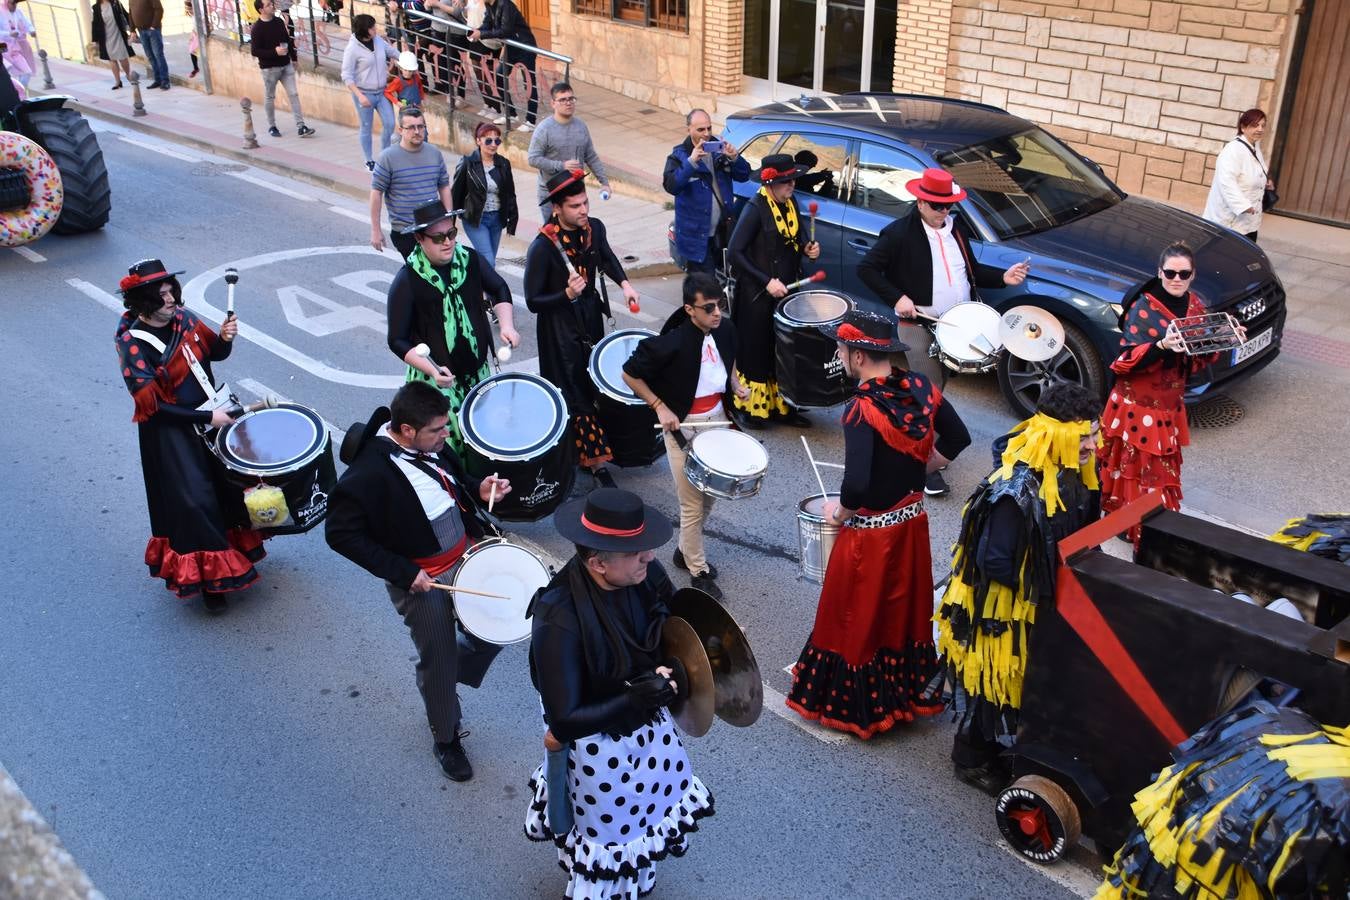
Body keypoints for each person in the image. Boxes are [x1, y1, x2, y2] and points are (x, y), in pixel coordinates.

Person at [785, 310, 970, 739]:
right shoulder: (922, 387)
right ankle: (903, 694)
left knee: (855, 616)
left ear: (858, 356)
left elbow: (857, 484)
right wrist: (924, 469)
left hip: (871, 534)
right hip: (912, 525)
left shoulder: (860, 409)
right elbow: (958, 438)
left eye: (841, 348)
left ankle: (860, 708)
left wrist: (840, 512)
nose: (838, 353)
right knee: (901, 613)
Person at [524, 488, 715, 898]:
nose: (649, 557)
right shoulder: (558, 618)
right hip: (597, 746)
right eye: (636, 553)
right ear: (598, 563)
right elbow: (566, 719)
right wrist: (636, 697)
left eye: (645, 547)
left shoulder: (643, 573)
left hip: (646, 718)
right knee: (611, 835)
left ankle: (637, 882)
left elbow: (672, 624)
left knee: (647, 814)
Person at [326, 381, 513, 781]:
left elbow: (454, 485)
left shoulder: (433, 446)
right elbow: (340, 535)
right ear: (407, 430)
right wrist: (404, 573)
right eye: (438, 430)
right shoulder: (369, 474)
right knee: (440, 657)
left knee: (503, 621)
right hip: (422, 578)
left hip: (465, 554)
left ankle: (440, 675)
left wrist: (480, 491)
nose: (447, 435)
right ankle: (446, 736)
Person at [934, 381, 1101, 790]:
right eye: (1086, 436)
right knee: (993, 681)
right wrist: (1042, 592)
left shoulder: (1071, 471)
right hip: (1000, 612)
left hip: (1043, 602)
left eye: (1097, 433)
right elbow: (995, 561)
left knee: (1022, 684)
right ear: (1056, 433)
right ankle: (969, 757)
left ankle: (1006, 740)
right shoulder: (1015, 489)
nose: (1095, 445)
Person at [856, 167, 1028, 496]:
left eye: (949, 206)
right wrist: (898, 297)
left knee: (937, 391)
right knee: (927, 394)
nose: (944, 212)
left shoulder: (955, 228)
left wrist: (1003, 278)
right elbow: (866, 269)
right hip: (919, 324)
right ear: (920, 201)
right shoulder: (898, 233)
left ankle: (923, 447)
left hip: (955, 326)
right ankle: (919, 466)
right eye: (938, 206)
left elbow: (971, 272)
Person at [114, 258, 265, 613]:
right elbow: (153, 408)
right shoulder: (131, 344)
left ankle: (233, 554)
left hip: (213, 419)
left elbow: (215, 354)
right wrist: (206, 416)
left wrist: (225, 339)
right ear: (142, 302)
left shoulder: (186, 319)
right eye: (161, 294)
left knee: (227, 489)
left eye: (171, 291)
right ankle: (212, 585)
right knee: (195, 503)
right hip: (172, 435)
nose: (170, 299)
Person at [621, 272, 750, 602]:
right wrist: (660, 407)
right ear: (689, 309)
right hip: (686, 427)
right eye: (708, 308)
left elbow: (729, 356)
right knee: (692, 504)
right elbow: (629, 373)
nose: (717, 312)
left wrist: (734, 384)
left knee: (711, 496)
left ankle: (684, 550)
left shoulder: (727, 328)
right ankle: (698, 569)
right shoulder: (673, 342)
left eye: (719, 304)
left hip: (718, 422)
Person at [1099, 241, 1234, 544]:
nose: (1176, 279)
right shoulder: (1142, 308)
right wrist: (1161, 346)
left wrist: (1221, 340)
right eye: (1170, 272)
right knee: (1133, 470)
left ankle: (1150, 520)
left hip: (1169, 404)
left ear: (1192, 276)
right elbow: (1124, 362)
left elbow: (1198, 355)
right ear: (1160, 272)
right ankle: (1129, 524)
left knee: (1160, 470)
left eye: (1183, 274)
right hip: (1138, 406)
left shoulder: (1194, 305)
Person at [524, 169, 640, 488]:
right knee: (574, 391)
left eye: (585, 202)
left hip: (590, 316)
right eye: (575, 206)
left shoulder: (594, 229)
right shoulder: (543, 247)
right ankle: (595, 462)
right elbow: (533, 300)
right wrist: (566, 294)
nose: (583, 210)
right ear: (557, 209)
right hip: (559, 328)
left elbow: (606, 257)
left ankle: (589, 448)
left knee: (593, 382)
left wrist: (625, 285)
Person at [386, 199, 519, 455]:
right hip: (436, 383)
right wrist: (433, 370)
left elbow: (499, 288)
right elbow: (397, 339)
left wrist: (507, 325)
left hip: (477, 373)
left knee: (484, 439)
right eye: (438, 238)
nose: (447, 242)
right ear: (419, 239)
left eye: (451, 234)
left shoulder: (469, 260)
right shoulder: (407, 280)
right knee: (448, 451)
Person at [726, 152, 820, 429]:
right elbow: (735, 253)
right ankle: (750, 409)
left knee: (783, 351)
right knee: (756, 351)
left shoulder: (791, 203)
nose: (792, 185)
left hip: (786, 292)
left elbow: (797, 239)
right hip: (756, 296)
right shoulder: (755, 209)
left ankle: (783, 407)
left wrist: (809, 249)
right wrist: (766, 281)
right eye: (786, 182)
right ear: (769, 184)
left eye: (793, 180)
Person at [662, 108, 751, 274]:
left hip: (722, 233)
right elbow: (671, 186)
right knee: (703, 287)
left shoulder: (719, 150)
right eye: (700, 129)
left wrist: (734, 158)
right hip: (696, 239)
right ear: (688, 129)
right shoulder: (679, 156)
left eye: (709, 128)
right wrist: (691, 162)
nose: (706, 133)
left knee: (725, 283)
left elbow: (744, 175)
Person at [369, 105, 452, 258]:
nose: (417, 131)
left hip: (433, 229)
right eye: (411, 127)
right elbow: (376, 193)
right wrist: (376, 230)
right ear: (400, 130)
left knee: (432, 275)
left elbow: (444, 187)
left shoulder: (434, 153)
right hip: (405, 231)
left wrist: (448, 221)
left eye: (421, 127)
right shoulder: (388, 157)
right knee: (420, 272)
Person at [526, 82, 608, 221]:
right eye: (562, 100)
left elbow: (591, 156)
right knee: (555, 238)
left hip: (576, 192)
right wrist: (561, 166)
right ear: (553, 103)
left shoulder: (581, 126)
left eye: (571, 99)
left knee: (578, 235)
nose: (568, 103)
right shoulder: (544, 129)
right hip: (552, 193)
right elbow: (533, 158)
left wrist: (604, 182)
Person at [451, 121, 519, 269]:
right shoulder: (467, 163)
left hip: (497, 219)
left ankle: (479, 289)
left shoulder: (503, 164)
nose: (493, 144)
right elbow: (455, 195)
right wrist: (449, 225)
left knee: (488, 262)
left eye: (497, 140)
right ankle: (493, 292)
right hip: (475, 219)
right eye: (488, 140)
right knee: (489, 261)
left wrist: (512, 221)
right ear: (478, 141)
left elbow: (510, 193)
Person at [1202, 108, 1275, 242]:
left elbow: (1253, 171)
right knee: (1225, 257)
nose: (1260, 129)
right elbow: (1226, 182)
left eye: (1262, 126)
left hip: (1249, 221)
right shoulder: (1233, 150)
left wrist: (1265, 182)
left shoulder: (1254, 147)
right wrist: (1242, 205)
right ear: (1243, 127)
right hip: (1228, 221)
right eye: (1255, 125)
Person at [248, 0, 315, 139]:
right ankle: (272, 126)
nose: (272, 6)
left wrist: (294, 58)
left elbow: (288, 40)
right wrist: (274, 52)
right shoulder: (257, 28)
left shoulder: (278, 22)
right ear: (261, 10)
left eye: (272, 3)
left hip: (286, 65)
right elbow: (255, 51)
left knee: (294, 94)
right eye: (268, 5)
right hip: (269, 68)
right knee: (270, 97)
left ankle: (301, 126)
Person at [470, 0, 537, 132]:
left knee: (529, 83)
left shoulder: (506, 5)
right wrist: (476, 31)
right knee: (499, 76)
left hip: (525, 46)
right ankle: (511, 114)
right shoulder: (490, 5)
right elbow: (486, 24)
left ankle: (531, 121)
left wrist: (482, 34)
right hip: (511, 47)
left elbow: (506, 30)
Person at [341, 14, 396, 172]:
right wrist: (360, 96)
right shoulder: (352, 49)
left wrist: (407, 60)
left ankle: (384, 155)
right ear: (364, 31)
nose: (375, 29)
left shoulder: (378, 40)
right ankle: (369, 160)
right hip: (364, 94)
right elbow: (346, 76)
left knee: (390, 123)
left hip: (381, 92)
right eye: (372, 27)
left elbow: (391, 52)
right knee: (366, 127)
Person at [91, 0, 135, 89]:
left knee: (123, 57)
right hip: (106, 37)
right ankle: (117, 81)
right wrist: (95, 40)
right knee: (112, 59)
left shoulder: (116, 3)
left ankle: (128, 75)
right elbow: (95, 23)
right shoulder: (96, 7)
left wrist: (132, 29)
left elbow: (126, 15)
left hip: (118, 34)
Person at [128, 0, 168, 89]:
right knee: (150, 56)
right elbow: (130, 13)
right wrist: (132, 30)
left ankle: (165, 81)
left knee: (158, 55)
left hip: (153, 30)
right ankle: (157, 80)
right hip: (141, 31)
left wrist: (153, 26)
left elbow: (159, 9)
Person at [0, 0, 36, 88]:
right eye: (13, 3)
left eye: (16, 3)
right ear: (6, 3)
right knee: (6, 70)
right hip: (2, 46)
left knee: (27, 72)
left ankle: (19, 92)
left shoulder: (18, 12)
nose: (15, 5)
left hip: (14, 46)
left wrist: (32, 30)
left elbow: (27, 23)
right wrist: (8, 34)